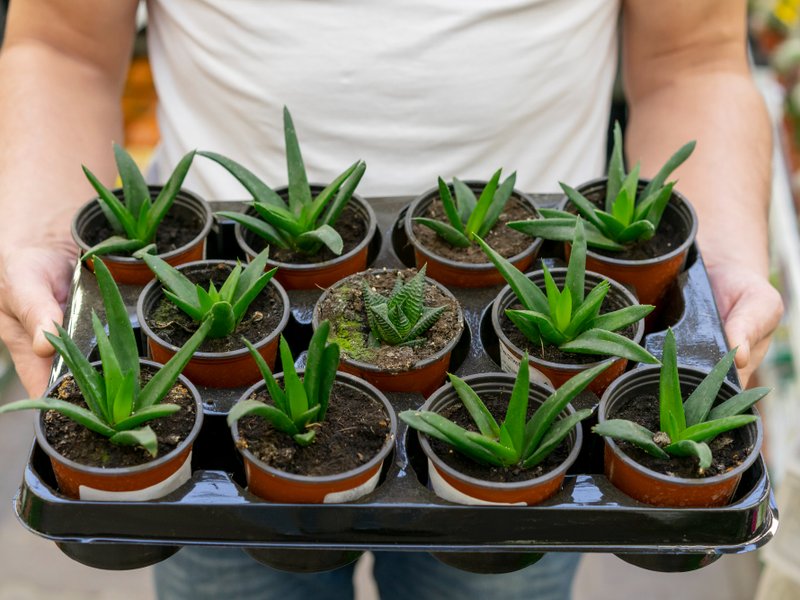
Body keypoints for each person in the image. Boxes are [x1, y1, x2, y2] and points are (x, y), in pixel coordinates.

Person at [0, 1, 782, 599]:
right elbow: (60, 43)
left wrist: (718, 263)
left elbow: (692, 58)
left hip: (541, 280)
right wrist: (41, 234)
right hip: (216, 306)